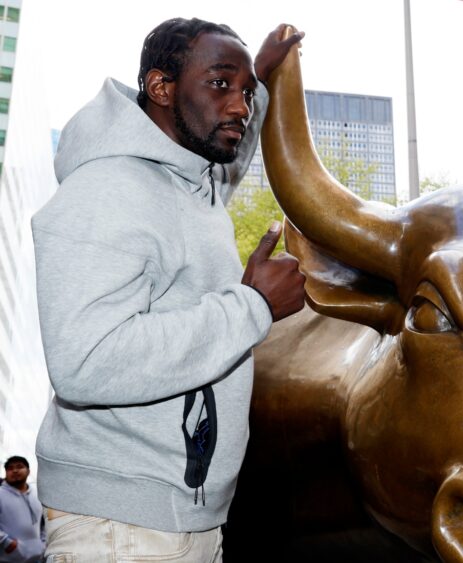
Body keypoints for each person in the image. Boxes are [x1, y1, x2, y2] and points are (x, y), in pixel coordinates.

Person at [31, 18, 307, 561]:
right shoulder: (108, 190)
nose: (240, 107)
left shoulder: (188, 184)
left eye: (246, 93)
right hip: (120, 529)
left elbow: (229, 156)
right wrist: (252, 306)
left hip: (180, 522)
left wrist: (265, 77)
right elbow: (84, 359)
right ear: (161, 88)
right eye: (221, 84)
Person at [0, 456, 44, 563]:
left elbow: (44, 522)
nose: (15, 470)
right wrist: (6, 541)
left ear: (28, 471)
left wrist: (44, 542)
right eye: (10, 468)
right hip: (9, 558)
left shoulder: (37, 494)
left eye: (19, 467)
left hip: (38, 557)